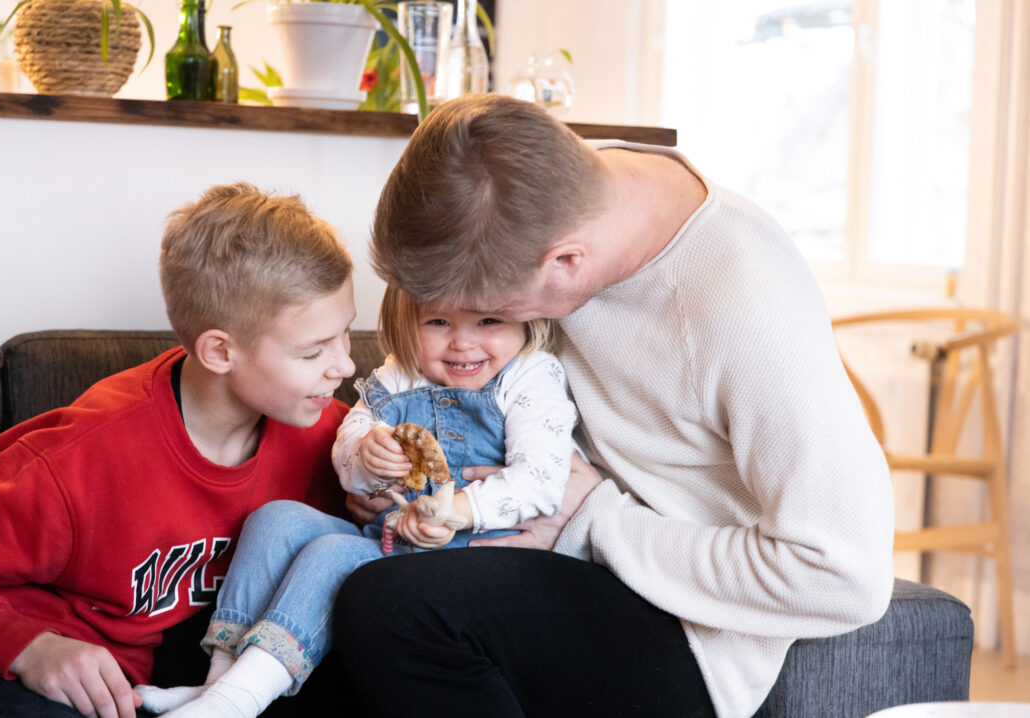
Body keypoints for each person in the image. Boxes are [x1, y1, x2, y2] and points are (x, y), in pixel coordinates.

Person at [332, 94, 896, 718]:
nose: (474, 333)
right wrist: (392, 479)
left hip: (683, 625)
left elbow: (846, 577)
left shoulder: (749, 310)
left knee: (390, 609)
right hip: (528, 543)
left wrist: (594, 519)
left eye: (493, 313)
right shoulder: (558, 194)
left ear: (568, 264)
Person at [0, 183, 357, 718]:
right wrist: (27, 646)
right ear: (220, 351)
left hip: (164, 670)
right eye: (314, 351)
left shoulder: (327, 431)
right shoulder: (85, 455)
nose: (346, 367)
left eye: (346, 335)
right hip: (40, 656)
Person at [134, 283, 577, 718]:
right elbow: (348, 460)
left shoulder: (531, 377)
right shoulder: (397, 375)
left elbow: (540, 480)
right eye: (439, 321)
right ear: (407, 323)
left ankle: (239, 702)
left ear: (526, 318)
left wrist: (456, 511)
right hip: (386, 538)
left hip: (467, 558)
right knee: (276, 519)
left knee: (336, 553)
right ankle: (219, 686)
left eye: (489, 320)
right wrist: (366, 456)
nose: (462, 341)